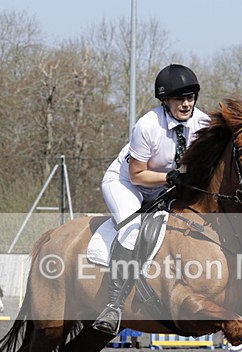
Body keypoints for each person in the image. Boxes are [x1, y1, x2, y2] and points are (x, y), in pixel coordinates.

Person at [92, 64, 210, 335]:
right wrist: (170, 177)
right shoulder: (147, 125)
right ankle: (113, 305)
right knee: (134, 229)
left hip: (166, 185)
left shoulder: (203, 124)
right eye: (179, 98)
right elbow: (137, 175)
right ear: (165, 100)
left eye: (190, 97)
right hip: (127, 183)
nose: (186, 103)